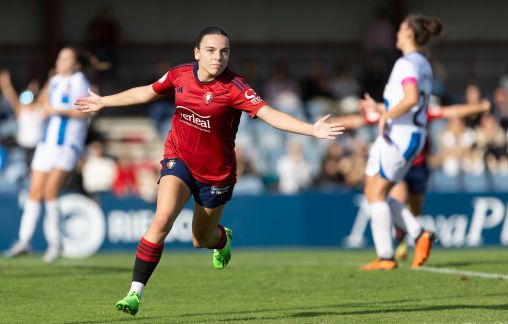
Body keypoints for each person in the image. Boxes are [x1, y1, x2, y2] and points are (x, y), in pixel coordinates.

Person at [75, 27, 345, 316]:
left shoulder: (235, 87)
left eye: (224, 51)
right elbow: (147, 92)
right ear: (197, 53)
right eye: (211, 50)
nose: (218, 57)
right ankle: (134, 293)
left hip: (216, 174)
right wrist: (103, 101)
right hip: (178, 158)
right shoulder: (179, 75)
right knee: (162, 219)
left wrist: (311, 130)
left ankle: (221, 239)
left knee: (199, 239)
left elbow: (269, 114)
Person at [358, 14, 442, 270]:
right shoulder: (423, 62)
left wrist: (386, 114)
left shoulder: (406, 63)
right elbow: (410, 100)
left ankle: (386, 256)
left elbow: (411, 98)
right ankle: (419, 234)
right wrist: (381, 106)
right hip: (412, 133)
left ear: (409, 34)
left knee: (376, 193)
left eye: (401, 28)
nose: (396, 32)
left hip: (400, 135)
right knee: (374, 190)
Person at [3, 47, 91, 263]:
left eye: (67, 58)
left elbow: (85, 109)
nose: (61, 61)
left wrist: (56, 110)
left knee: (50, 193)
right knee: (34, 192)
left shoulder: (78, 80)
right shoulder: (54, 81)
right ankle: (24, 240)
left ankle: (55, 243)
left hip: (67, 146)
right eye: (60, 57)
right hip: (46, 144)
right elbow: (43, 105)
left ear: (76, 64)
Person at [0, 70, 48, 169]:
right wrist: (6, 84)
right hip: (22, 147)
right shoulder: (21, 110)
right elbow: (11, 97)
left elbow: (44, 95)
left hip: (38, 148)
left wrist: (51, 81)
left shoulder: (40, 110)